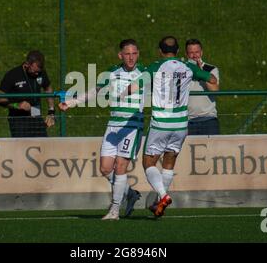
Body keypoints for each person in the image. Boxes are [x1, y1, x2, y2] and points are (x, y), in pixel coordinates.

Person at [128, 36, 217, 217]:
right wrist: (198, 70)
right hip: (181, 124)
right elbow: (213, 80)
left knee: (148, 163)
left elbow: (134, 87)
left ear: (160, 51)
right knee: (169, 162)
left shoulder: (155, 67)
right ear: (177, 51)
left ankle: (163, 195)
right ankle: (158, 204)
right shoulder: (188, 67)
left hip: (161, 122)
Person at [59, 39, 144, 220]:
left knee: (121, 166)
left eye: (134, 53)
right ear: (120, 55)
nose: (131, 57)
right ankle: (130, 193)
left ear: (138, 54)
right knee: (105, 169)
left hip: (132, 125)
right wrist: (72, 102)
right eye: (127, 54)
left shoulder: (145, 73)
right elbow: (95, 92)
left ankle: (114, 210)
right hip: (113, 125)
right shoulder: (112, 72)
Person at [0, 50, 55, 137]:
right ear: (27, 64)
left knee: (43, 144)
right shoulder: (12, 75)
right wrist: (17, 105)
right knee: (22, 147)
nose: (37, 74)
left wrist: (51, 112)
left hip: (36, 114)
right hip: (18, 119)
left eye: (39, 72)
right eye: (34, 71)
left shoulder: (41, 73)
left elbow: (48, 88)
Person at [185, 39, 220, 135]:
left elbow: (214, 90)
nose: (195, 55)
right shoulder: (182, 71)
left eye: (197, 52)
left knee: (212, 150)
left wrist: (201, 73)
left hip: (209, 119)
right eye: (191, 53)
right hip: (188, 120)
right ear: (187, 55)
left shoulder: (211, 69)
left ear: (202, 52)